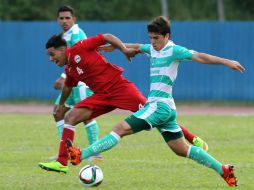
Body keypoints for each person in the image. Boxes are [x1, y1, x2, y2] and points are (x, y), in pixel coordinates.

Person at [64, 16, 245, 186]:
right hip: (165, 108)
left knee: (119, 129)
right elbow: (137, 46)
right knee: (182, 149)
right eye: (151, 38)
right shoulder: (152, 48)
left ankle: (81, 154)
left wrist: (226, 61)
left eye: (156, 38)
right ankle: (223, 170)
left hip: (159, 106)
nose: (153, 42)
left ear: (167, 36)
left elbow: (200, 56)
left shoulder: (174, 50)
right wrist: (119, 47)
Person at [39, 30, 208, 174]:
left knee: (157, 116)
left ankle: (192, 139)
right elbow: (68, 86)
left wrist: (124, 50)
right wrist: (61, 104)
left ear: (62, 49)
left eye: (52, 54)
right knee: (70, 117)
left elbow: (107, 36)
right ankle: (62, 163)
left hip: (120, 89)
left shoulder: (80, 47)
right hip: (101, 96)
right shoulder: (70, 69)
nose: (51, 59)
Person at [52, 5, 101, 161]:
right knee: (58, 112)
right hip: (72, 81)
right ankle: (66, 151)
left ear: (74, 19)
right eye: (62, 18)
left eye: (68, 18)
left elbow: (77, 56)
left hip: (81, 82)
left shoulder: (77, 34)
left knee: (86, 116)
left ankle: (96, 152)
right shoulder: (64, 36)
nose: (65, 21)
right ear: (57, 20)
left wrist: (62, 76)